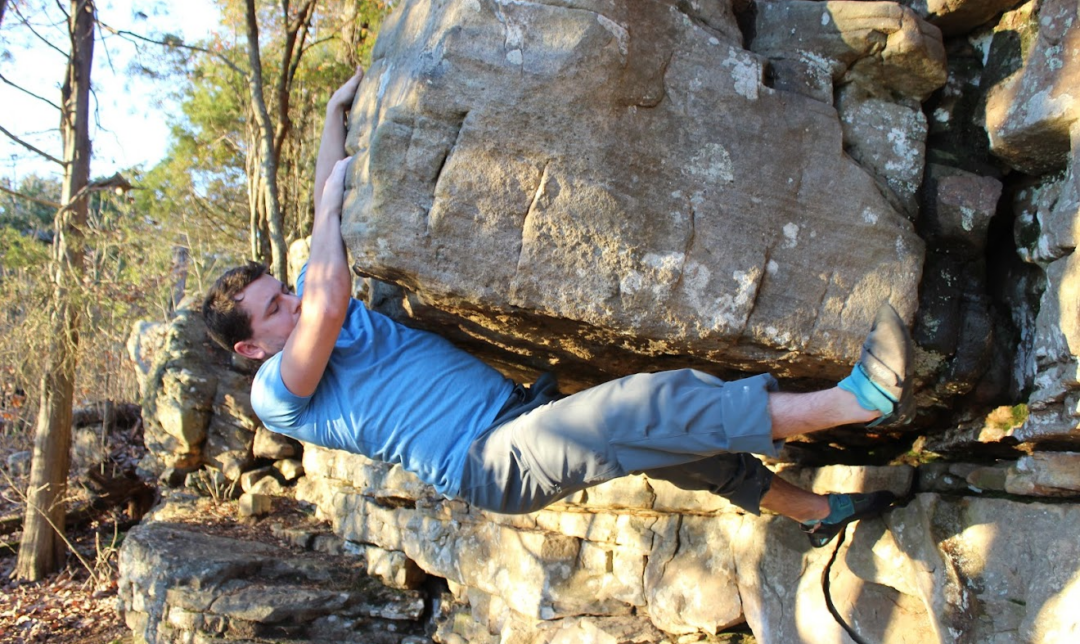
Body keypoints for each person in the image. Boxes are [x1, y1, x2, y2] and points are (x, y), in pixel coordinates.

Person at [202, 69, 914, 548]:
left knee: (673, 451)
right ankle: (855, 401)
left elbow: (324, 225)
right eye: (274, 308)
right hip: (487, 457)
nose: (292, 301)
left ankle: (819, 512)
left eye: (286, 290)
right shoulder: (277, 393)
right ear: (250, 348)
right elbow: (326, 298)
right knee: (648, 407)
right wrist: (327, 209)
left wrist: (333, 116)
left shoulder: (309, 300)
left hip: (516, 415)